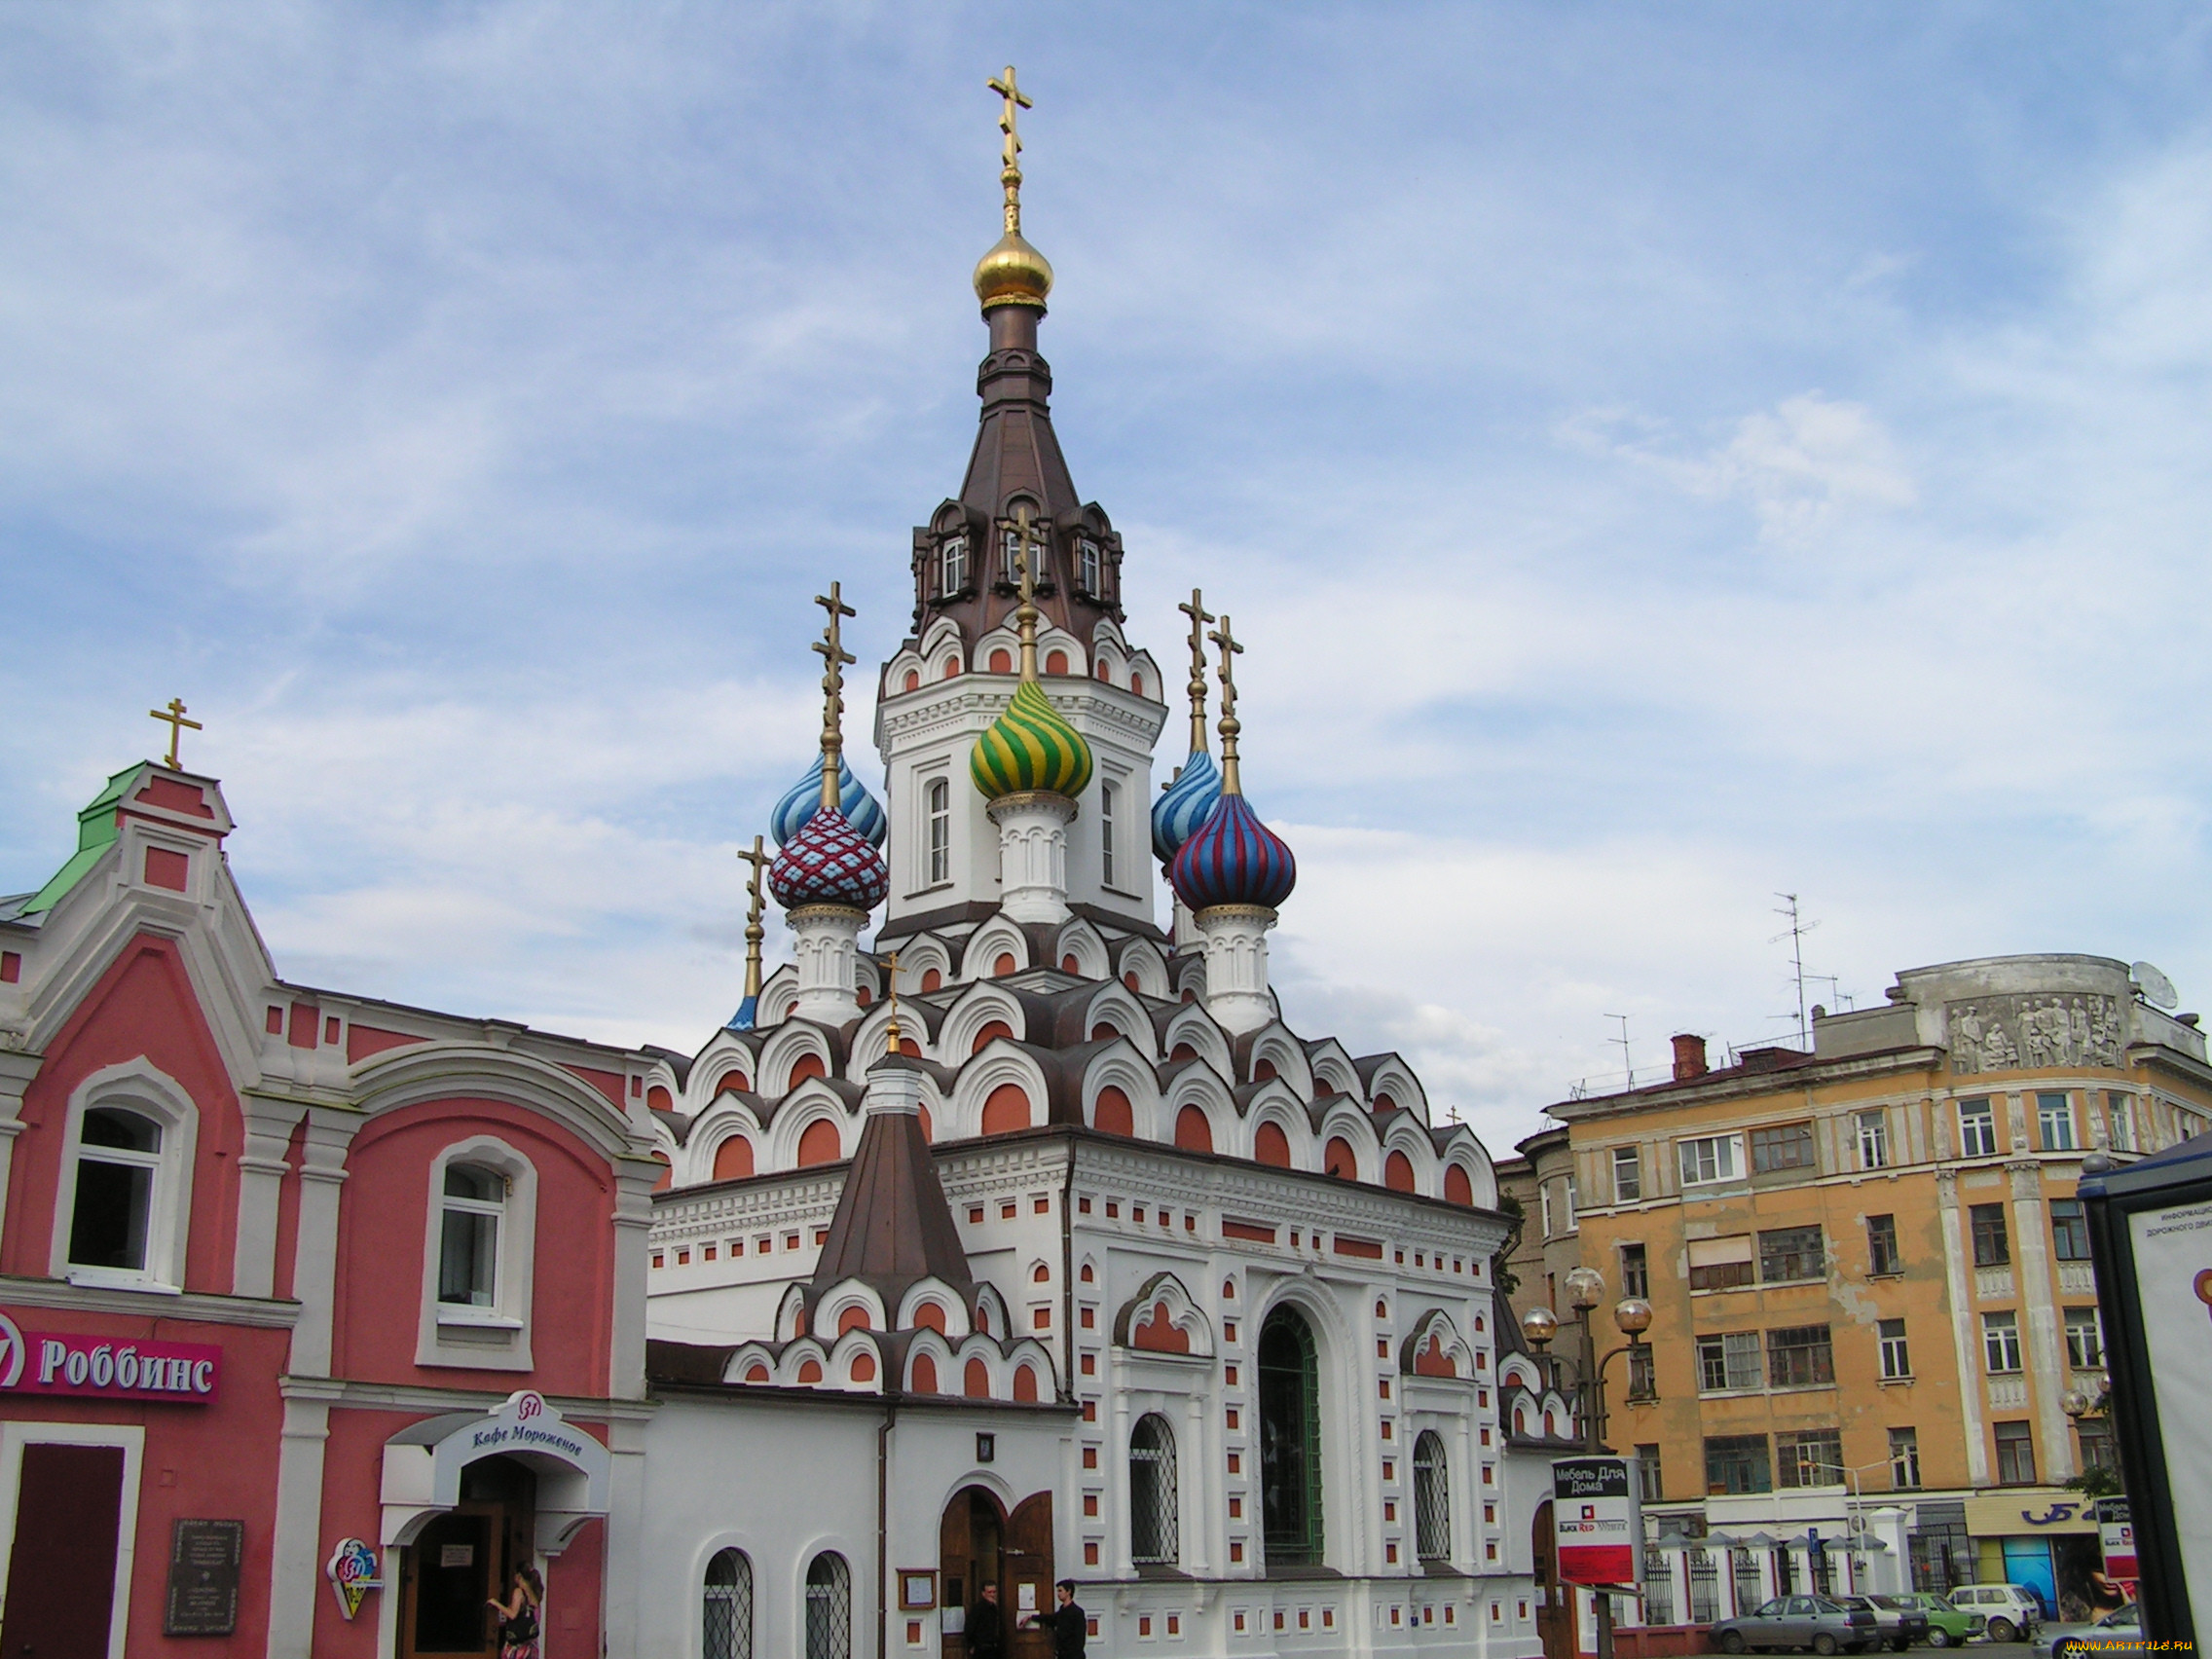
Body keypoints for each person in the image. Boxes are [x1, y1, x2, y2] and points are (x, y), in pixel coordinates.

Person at [488, 1564, 543, 1659]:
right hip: (531, 1645)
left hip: (518, 1646)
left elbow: (513, 1614)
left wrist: (496, 1604)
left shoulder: (519, 1592)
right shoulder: (535, 1594)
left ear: (519, 1576)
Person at [1024, 1579, 1086, 1659]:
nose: (1058, 1594)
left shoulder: (1077, 1612)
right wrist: (1031, 1617)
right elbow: (1049, 1618)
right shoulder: (1062, 1611)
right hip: (1062, 1654)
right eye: (1057, 1591)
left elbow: (1080, 1638)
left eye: (1060, 1591)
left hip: (1073, 1656)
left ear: (1068, 1592)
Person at [968, 1580, 1004, 1659]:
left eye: (994, 1592)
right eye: (990, 1592)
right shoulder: (978, 1609)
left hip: (993, 1648)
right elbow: (969, 1627)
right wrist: (971, 1645)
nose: (992, 1595)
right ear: (983, 1594)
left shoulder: (994, 1608)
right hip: (981, 1649)